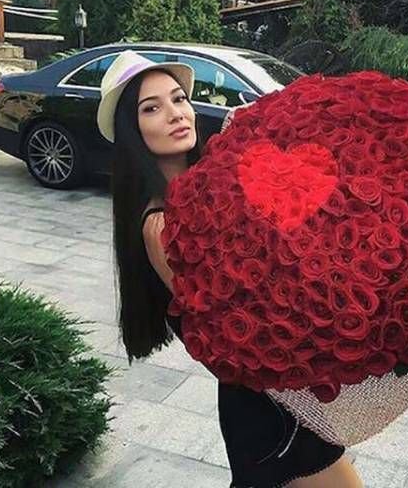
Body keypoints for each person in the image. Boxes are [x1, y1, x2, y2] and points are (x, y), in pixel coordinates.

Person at [97, 50, 364, 488]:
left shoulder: (216, 185)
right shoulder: (160, 224)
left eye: (178, 99)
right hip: (263, 406)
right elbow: (230, 319)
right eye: (152, 108)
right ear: (133, 131)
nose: (175, 114)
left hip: (284, 393)